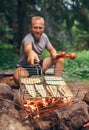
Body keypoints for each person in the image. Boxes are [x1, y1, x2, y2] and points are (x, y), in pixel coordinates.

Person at [13, 16, 64, 83]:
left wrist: (53, 52)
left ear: (44, 28)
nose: (38, 30)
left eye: (40, 28)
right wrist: (31, 53)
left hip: (38, 66)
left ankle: (58, 83)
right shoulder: (27, 39)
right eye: (35, 27)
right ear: (30, 27)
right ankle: (31, 81)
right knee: (18, 76)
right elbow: (28, 50)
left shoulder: (44, 37)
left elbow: (51, 49)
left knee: (60, 59)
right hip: (24, 68)